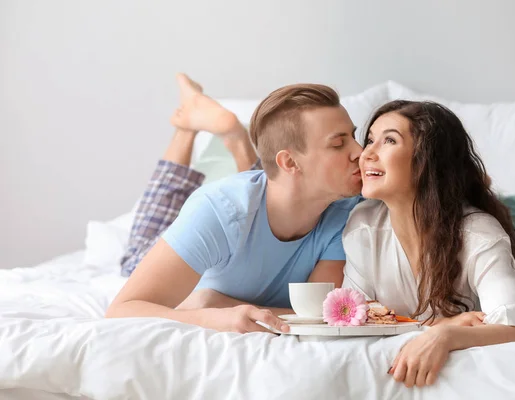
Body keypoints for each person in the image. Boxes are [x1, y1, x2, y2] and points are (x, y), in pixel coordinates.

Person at [106, 74, 363, 334]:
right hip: (195, 241)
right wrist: (208, 316)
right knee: (137, 251)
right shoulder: (217, 210)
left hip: (255, 205)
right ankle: (188, 129)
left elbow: (319, 317)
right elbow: (122, 310)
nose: (361, 152)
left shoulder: (346, 213)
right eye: (339, 144)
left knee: (272, 190)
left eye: (354, 137)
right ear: (290, 162)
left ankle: (235, 136)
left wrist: (215, 303)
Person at [341, 100, 515, 387]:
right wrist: (435, 326)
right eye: (370, 140)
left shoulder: (477, 233)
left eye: (389, 141)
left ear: (427, 159)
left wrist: (445, 337)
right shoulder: (363, 225)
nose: (367, 153)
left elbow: (513, 328)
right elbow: (354, 318)